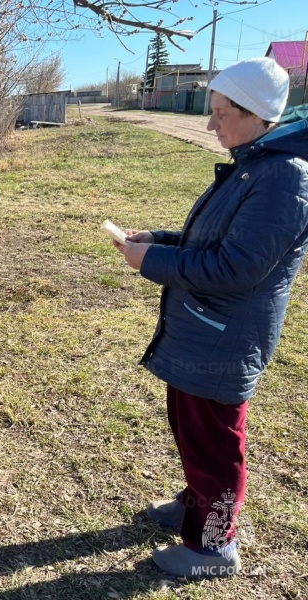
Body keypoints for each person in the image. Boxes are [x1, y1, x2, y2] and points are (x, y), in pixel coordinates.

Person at [113, 57, 308, 577]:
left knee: (216, 445)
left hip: (225, 339)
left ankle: (214, 543)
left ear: (254, 114)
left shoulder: (284, 179)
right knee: (191, 431)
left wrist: (151, 263)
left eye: (220, 113)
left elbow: (234, 268)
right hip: (203, 332)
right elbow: (214, 241)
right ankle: (196, 503)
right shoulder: (255, 164)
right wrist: (159, 240)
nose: (210, 124)